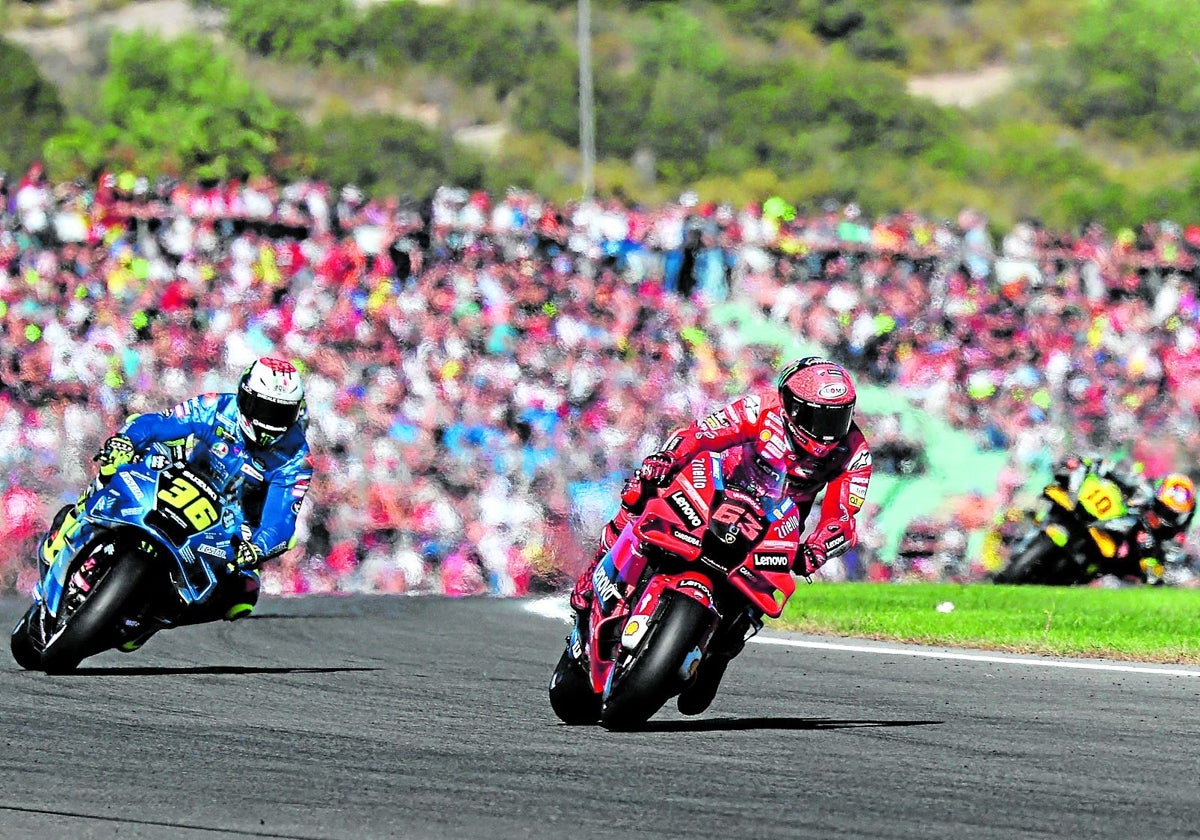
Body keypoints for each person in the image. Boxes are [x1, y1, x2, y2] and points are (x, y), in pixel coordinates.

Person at [568, 356, 872, 714]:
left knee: (761, 589)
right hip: (720, 486)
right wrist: (667, 459)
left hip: (778, 516)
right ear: (789, 404)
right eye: (817, 416)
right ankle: (594, 575)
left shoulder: (855, 453)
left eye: (838, 417)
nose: (827, 430)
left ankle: (718, 656)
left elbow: (842, 519)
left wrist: (817, 549)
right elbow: (701, 435)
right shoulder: (760, 409)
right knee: (640, 491)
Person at [36, 357, 313, 649]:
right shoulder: (216, 407)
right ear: (245, 396)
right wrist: (127, 441)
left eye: (281, 413)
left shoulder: (296, 458)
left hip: (231, 525)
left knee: (242, 595)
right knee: (115, 465)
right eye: (265, 409)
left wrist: (256, 548)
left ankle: (151, 618)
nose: (269, 421)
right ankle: (74, 525)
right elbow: (161, 423)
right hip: (177, 477)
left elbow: (280, 520)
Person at [1052, 455, 1196, 580]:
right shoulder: (1141, 488)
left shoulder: (1172, 533)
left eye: (1171, 513)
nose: (1164, 515)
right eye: (1163, 509)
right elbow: (1110, 469)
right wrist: (1084, 463)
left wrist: (1151, 559)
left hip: (1115, 551)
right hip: (1097, 513)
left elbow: (1162, 565)